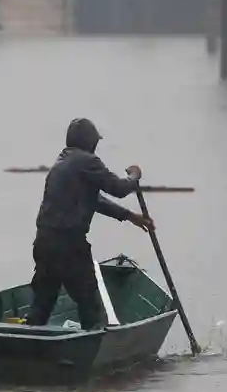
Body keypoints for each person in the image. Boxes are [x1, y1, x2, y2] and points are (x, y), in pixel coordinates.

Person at [25, 117, 154, 329]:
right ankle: (91, 342)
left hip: (44, 242)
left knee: (42, 304)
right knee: (89, 304)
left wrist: (130, 216)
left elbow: (93, 200)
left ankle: (26, 342)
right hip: (69, 246)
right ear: (90, 142)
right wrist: (134, 177)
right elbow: (118, 188)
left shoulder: (62, 162)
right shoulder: (88, 161)